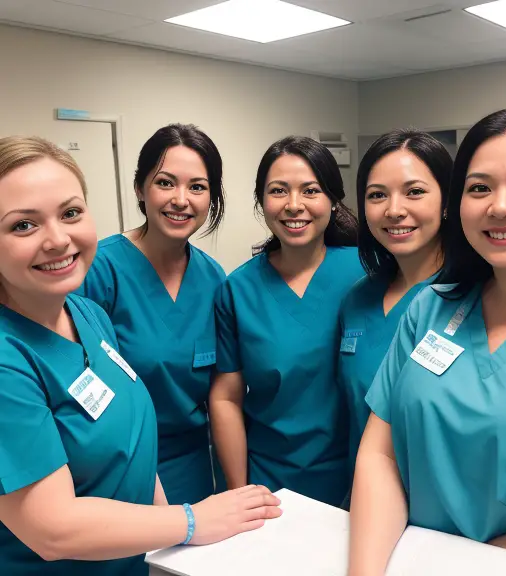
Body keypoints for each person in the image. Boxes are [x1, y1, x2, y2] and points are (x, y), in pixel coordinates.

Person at [0, 136, 281, 576]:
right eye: (22, 225)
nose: (58, 239)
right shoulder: (11, 357)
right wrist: (190, 522)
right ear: (140, 189)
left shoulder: (85, 313)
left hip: (137, 548)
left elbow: (131, 439)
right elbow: (51, 529)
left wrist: (169, 537)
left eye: (70, 213)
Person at [348, 108, 506, 575]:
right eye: (479, 187)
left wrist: (472, 565)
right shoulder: (431, 308)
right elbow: (380, 453)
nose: (500, 206)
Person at [210, 136, 364, 507]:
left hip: (362, 477)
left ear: (332, 199)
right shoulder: (238, 289)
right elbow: (226, 397)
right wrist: (239, 492)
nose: (294, 205)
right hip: (272, 485)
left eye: (310, 190)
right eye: (279, 191)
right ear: (261, 202)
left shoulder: (367, 273)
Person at [80, 124, 226, 505]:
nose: (181, 199)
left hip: (194, 465)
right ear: (140, 189)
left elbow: (221, 390)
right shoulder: (99, 270)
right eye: (165, 183)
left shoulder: (214, 278)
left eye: (197, 186)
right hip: (115, 467)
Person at [339, 130, 451, 478]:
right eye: (377, 195)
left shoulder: (474, 297)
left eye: (414, 192)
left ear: (448, 201)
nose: (394, 210)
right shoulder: (359, 297)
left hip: (442, 511)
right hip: (364, 496)